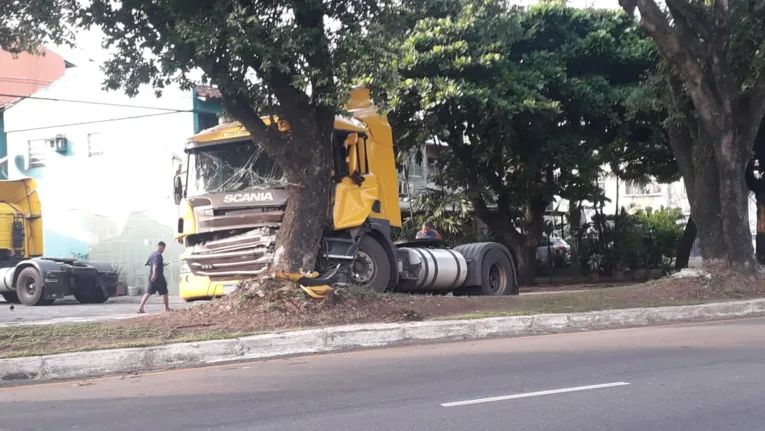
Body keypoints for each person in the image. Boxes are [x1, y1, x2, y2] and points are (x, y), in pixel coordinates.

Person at [138, 241, 171, 313]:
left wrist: (161, 265)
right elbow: (155, 265)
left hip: (152, 277)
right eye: (163, 249)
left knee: (148, 292)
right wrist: (154, 274)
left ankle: (141, 307)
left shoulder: (152, 254)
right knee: (165, 292)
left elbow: (150, 264)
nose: (163, 251)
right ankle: (167, 308)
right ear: (161, 247)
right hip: (158, 277)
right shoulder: (159, 255)